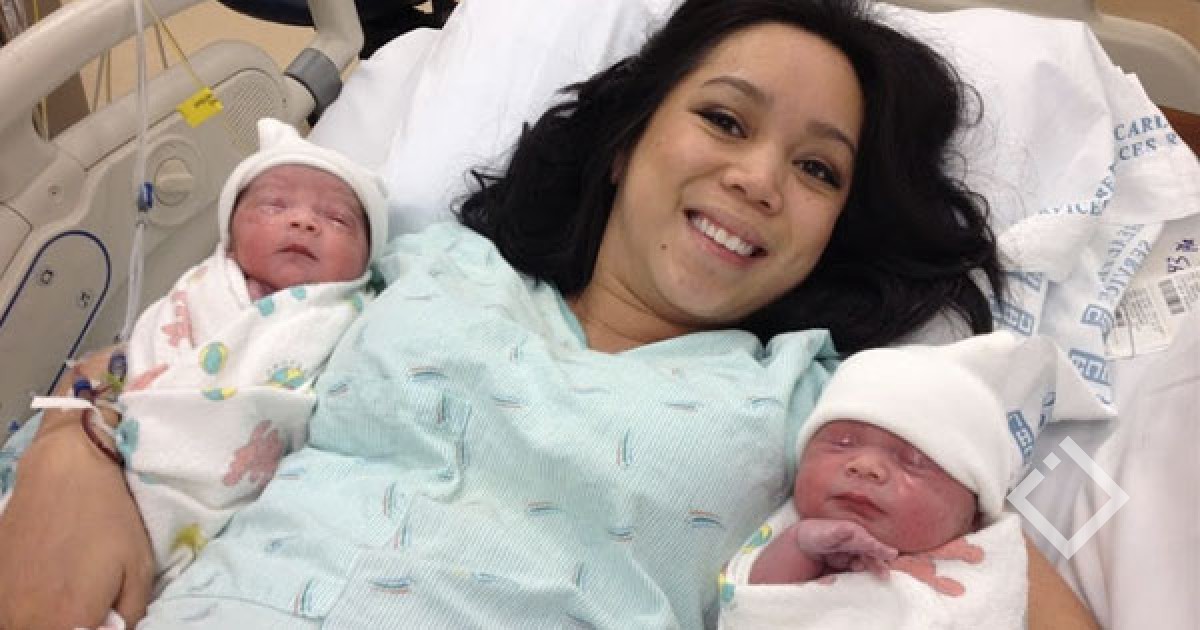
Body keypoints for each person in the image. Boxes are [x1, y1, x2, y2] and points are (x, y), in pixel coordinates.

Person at [0, 1, 1097, 628]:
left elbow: (995, 589)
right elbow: (187, 347)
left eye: (818, 169)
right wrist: (71, 448)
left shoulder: (819, 406)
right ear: (625, 143)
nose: (760, 178)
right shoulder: (419, 264)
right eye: (725, 120)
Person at [0, 117, 388, 593]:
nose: (303, 222)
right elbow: (145, 352)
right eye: (274, 205)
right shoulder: (205, 287)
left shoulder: (350, 313)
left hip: (214, 493)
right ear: (230, 233)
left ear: (367, 257)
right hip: (118, 449)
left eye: (337, 219)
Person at [718, 335, 1032, 629]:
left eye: (913, 462)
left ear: (972, 515)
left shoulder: (982, 578)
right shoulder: (794, 533)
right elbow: (753, 611)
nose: (866, 466)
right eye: (842, 443)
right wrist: (798, 548)